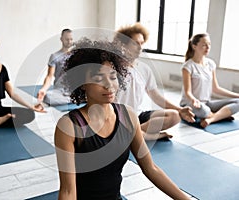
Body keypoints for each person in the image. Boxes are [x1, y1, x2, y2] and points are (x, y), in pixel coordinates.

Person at [55, 38, 190, 200]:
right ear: (82, 83)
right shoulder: (69, 126)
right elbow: (68, 192)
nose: (109, 85)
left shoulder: (129, 116)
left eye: (112, 77)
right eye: (98, 78)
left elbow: (151, 169)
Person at [114, 22, 195, 140]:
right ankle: (140, 136)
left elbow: (156, 96)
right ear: (123, 44)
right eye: (135, 43)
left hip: (137, 116)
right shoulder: (112, 69)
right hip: (118, 118)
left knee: (174, 116)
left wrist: (180, 109)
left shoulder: (144, 69)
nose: (140, 47)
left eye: (142, 43)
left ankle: (136, 135)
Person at [180, 33, 239, 128]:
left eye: (209, 44)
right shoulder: (188, 66)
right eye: (204, 45)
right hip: (191, 104)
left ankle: (211, 118)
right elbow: (187, 92)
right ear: (194, 46)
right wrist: (194, 100)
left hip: (207, 103)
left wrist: (237, 95)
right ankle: (220, 116)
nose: (207, 47)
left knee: (238, 102)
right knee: (203, 110)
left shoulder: (211, 64)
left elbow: (216, 88)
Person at [37, 28, 74, 105]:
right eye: (67, 39)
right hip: (60, 91)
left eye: (71, 39)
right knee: (48, 97)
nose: (69, 42)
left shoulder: (76, 55)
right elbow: (49, 76)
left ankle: (74, 98)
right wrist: (43, 90)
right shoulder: (54, 56)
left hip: (73, 89)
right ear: (61, 39)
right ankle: (74, 99)